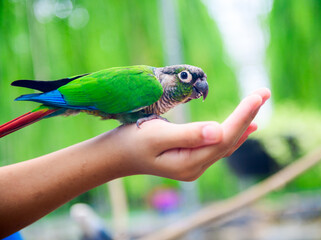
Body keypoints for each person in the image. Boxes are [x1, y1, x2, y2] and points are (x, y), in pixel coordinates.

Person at [0, 88, 270, 238]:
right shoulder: (149, 87)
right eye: (186, 77)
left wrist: (123, 151)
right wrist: (120, 154)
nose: (198, 85)